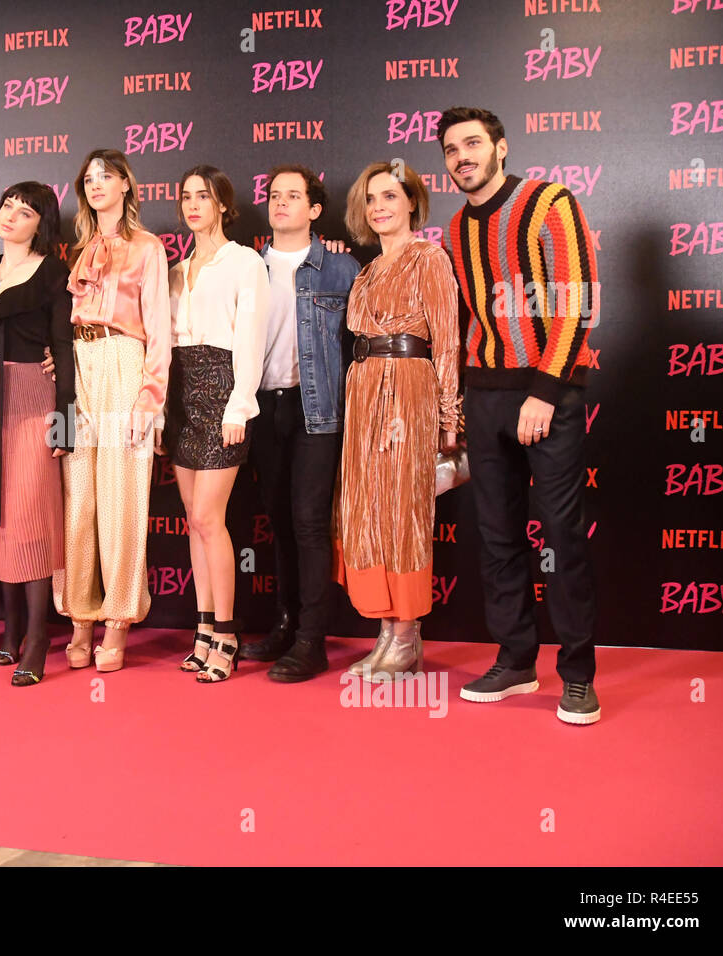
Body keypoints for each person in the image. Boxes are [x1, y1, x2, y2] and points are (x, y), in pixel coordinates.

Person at [438, 106, 601, 724]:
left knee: (562, 535)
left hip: (547, 394)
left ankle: (579, 675)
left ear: (500, 148)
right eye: (452, 149)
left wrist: (545, 390)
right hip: (485, 396)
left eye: (473, 144)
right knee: (498, 535)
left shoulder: (547, 202)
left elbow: (574, 299)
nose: (462, 157)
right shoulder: (454, 230)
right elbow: (466, 323)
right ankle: (515, 659)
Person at [334, 161, 460, 682]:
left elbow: (448, 339)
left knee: (403, 511)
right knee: (367, 509)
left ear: (412, 202)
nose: (380, 207)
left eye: (390, 196)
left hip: (408, 388)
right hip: (363, 390)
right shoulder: (365, 272)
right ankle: (387, 633)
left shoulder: (428, 258)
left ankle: (407, 637)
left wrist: (449, 415)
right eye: (370, 199)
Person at [54, 148, 171, 673]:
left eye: (107, 176)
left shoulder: (148, 248)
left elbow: (160, 331)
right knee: (77, 502)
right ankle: (79, 617)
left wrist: (150, 398)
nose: (97, 183)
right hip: (79, 364)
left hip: (125, 362)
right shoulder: (79, 251)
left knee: (122, 502)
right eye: (89, 178)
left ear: (126, 184)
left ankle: (118, 622)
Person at [245, 165, 361, 683]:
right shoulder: (247, 267)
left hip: (318, 409)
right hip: (262, 408)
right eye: (275, 195)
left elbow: (358, 347)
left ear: (315, 210)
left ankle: (313, 641)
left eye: (294, 196)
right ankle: (287, 625)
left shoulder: (341, 270)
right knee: (278, 522)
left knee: (311, 524)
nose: (281, 202)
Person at [0, 182, 75, 686]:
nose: (12, 215)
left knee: (30, 510)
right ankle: (9, 625)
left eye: (26, 211)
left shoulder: (52, 272)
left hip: (33, 393)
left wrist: (65, 418)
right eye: (8, 205)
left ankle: (37, 634)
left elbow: (63, 346)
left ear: (41, 225)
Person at [163, 166, 268, 684]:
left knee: (210, 517)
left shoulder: (244, 261)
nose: (193, 204)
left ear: (224, 204)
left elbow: (251, 337)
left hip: (223, 390)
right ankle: (203, 629)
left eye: (203, 196)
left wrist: (239, 404)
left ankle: (227, 633)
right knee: (191, 519)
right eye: (186, 196)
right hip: (181, 394)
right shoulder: (177, 268)